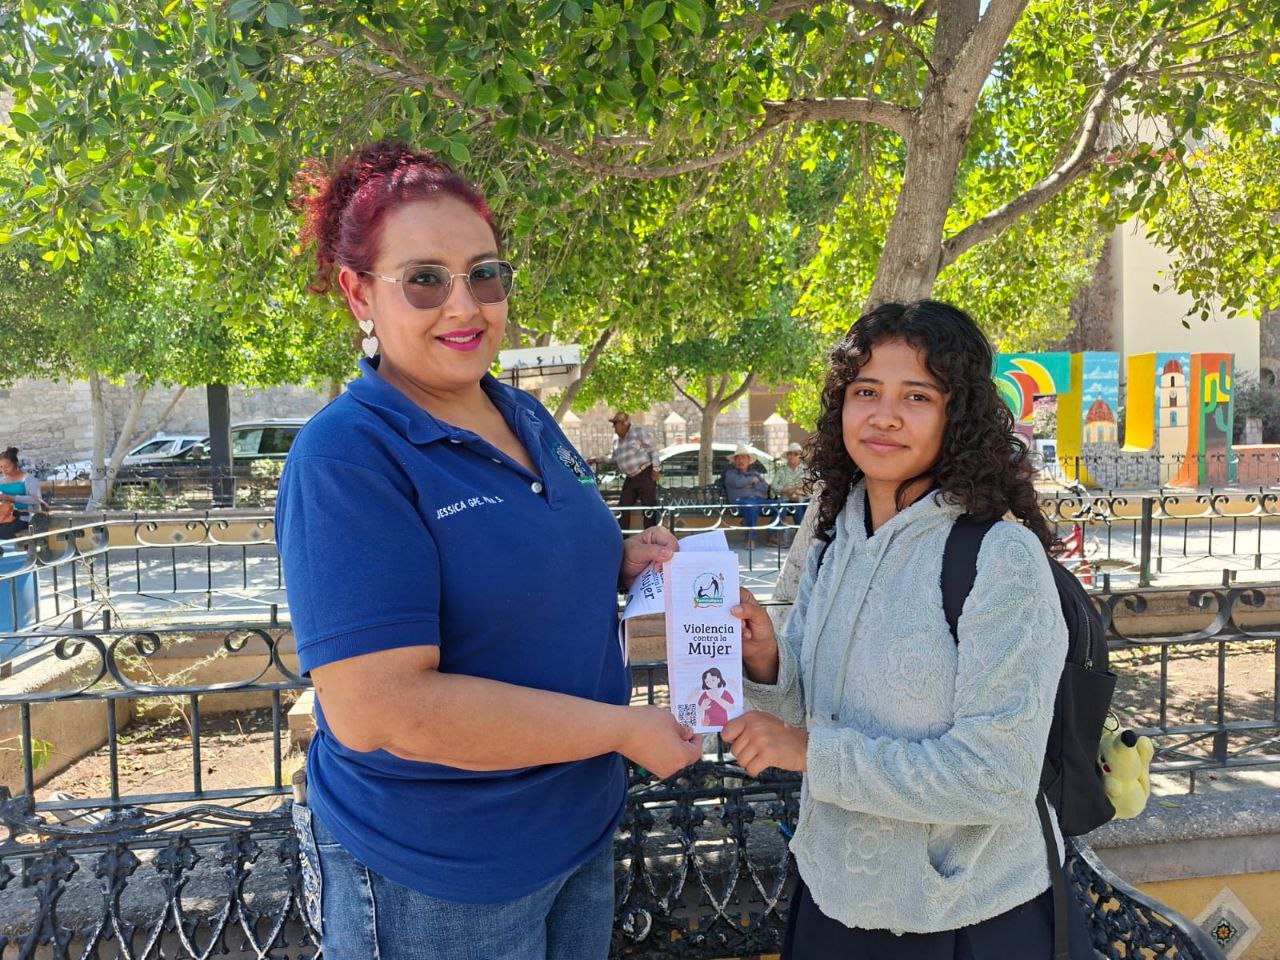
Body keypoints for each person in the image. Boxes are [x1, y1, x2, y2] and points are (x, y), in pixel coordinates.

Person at [277, 140, 701, 960]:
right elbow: (382, 709)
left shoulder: (523, 414)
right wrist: (621, 729)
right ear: (359, 292)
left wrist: (616, 559)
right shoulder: (347, 457)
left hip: (575, 831)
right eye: (425, 279)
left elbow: (520, 549)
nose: (464, 305)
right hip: (440, 876)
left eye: (485, 274)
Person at [722, 300, 1093, 959]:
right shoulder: (838, 536)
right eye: (866, 391)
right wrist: (768, 660)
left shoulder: (998, 557)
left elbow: (996, 777)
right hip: (831, 900)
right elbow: (811, 708)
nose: (884, 415)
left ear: (958, 414)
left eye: (917, 396)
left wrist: (810, 753)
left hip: (962, 917)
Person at [602, 412, 661, 529]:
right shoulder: (616, 440)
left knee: (648, 508)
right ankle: (623, 536)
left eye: (615, 423)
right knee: (623, 507)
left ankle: (650, 535)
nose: (613, 427)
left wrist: (656, 469)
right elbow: (613, 458)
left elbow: (653, 450)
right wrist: (597, 459)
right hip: (630, 478)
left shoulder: (638, 432)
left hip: (645, 473)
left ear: (624, 424)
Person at [722, 444, 778, 546]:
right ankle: (751, 539)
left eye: (743, 457)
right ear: (734, 461)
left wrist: (751, 484)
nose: (740, 460)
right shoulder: (730, 474)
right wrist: (752, 481)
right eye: (738, 458)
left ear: (748, 460)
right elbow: (738, 482)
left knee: (780, 505)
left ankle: (772, 535)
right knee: (751, 506)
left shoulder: (755, 473)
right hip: (740, 503)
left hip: (758, 501)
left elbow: (765, 487)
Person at [0, 447, 48, 540]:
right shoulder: (1, 481)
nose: (3, 470)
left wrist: (10, 497)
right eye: (1, 467)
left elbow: (36, 500)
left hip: (24, 517)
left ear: (16, 464)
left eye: (7, 466)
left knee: (3, 531)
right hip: (3, 515)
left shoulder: (30, 479)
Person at [770, 441, 810, 526]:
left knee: (801, 507)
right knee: (782, 507)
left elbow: (810, 486)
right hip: (785, 499)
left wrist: (799, 492)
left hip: (802, 499)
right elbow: (773, 486)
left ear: (800, 456)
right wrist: (787, 490)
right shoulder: (781, 470)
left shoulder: (806, 470)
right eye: (790, 454)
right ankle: (775, 532)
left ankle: (801, 531)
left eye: (796, 454)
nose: (792, 456)